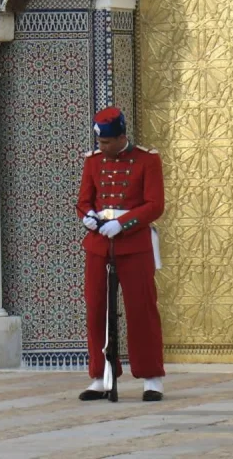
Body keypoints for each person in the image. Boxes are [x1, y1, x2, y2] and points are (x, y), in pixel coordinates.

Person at [76, 106, 166, 402]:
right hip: (100, 243)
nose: (101, 148)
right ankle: (101, 376)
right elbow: (84, 199)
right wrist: (89, 216)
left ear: (120, 137)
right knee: (96, 309)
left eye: (106, 143)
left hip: (133, 242)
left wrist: (122, 223)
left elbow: (155, 205)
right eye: (99, 143)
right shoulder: (93, 162)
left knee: (141, 309)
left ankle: (151, 377)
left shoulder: (147, 160)